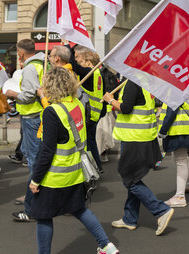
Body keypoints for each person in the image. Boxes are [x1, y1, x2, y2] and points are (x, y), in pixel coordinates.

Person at [29, 67, 119, 254]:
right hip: (76, 173)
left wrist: (35, 179)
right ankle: (107, 247)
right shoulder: (77, 104)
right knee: (80, 210)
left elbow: (47, 151)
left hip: (54, 176)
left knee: (44, 216)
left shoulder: (51, 112)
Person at [103, 79, 174, 235]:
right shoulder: (145, 82)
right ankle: (130, 218)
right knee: (133, 177)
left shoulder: (132, 83)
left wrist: (111, 100)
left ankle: (161, 210)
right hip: (143, 137)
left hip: (133, 138)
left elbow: (126, 108)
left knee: (129, 179)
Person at [5, 39, 47, 222]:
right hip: (41, 115)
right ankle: (34, 198)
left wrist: (13, 94)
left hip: (32, 117)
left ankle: (32, 208)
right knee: (38, 159)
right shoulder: (43, 63)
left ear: (21, 54)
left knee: (33, 161)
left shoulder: (30, 68)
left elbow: (29, 96)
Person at [159, 100, 189, 207]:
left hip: (178, 131)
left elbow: (171, 112)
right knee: (182, 160)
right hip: (186, 129)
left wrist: (163, 130)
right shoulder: (185, 90)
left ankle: (180, 196)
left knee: (181, 161)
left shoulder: (174, 91)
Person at [71, 46, 105, 170]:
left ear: (87, 61)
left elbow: (74, 66)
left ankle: (94, 168)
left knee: (88, 144)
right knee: (91, 142)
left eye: (79, 59)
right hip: (95, 113)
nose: (77, 61)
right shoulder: (97, 73)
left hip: (88, 114)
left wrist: (66, 46)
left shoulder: (89, 73)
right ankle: (97, 166)